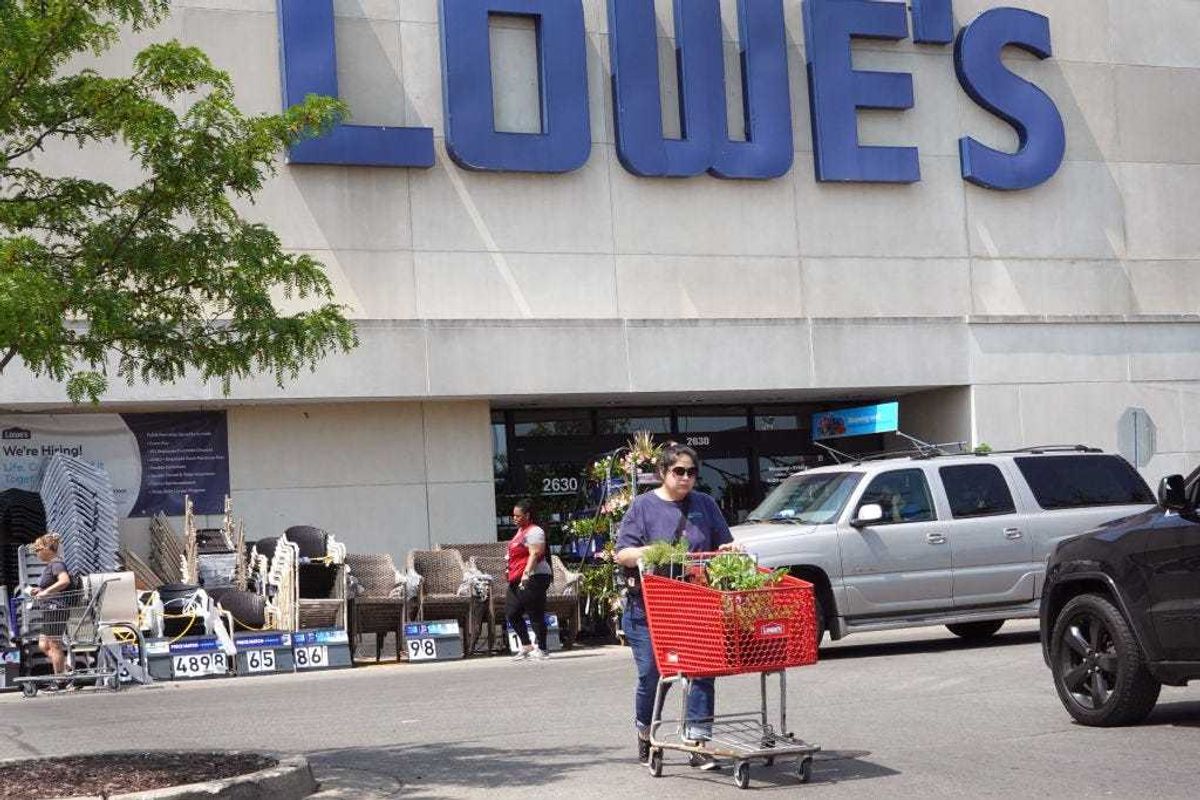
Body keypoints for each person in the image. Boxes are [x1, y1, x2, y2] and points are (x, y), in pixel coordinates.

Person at [615, 443, 737, 769]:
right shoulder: (642, 507)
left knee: (702, 670)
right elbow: (622, 553)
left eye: (691, 472)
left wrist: (728, 553)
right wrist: (650, 551)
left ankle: (697, 741)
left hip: (695, 602)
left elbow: (722, 544)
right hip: (649, 607)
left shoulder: (706, 505)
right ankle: (645, 731)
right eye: (678, 471)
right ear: (662, 473)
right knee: (652, 675)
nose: (685, 478)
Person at [506, 498, 553, 661]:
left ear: (527, 515)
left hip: (534, 576)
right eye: (514, 516)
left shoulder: (535, 531)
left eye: (518, 516)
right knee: (512, 612)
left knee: (535, 613)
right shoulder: (520, 532)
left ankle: (542, 648)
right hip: (516, 577)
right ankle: (526, 645)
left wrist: (526, 574)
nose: (515, 518)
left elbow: (535, 553)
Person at [29, 533, 72, 688]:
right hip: (49, 609)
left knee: (54, 645)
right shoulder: (51, 565)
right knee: (43, 645)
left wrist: (46, 592)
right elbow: (52, 584)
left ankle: (60, 680)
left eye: (38, 549)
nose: (37, 553)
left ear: (48, 549)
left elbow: (64, 581)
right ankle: (64, 669)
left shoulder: (57, 564)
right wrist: (39, 589)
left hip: (55, 609)